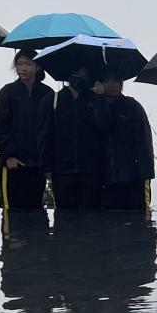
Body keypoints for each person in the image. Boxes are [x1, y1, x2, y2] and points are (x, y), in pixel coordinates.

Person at [0, 48, 54, 213]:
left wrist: (47, 160)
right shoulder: (7, 92)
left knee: (36, 210)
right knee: (13, 212)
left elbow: (49, 129)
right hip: (14, 163)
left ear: (37, 66)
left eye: (28, 64)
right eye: (20, 64)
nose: (23, 68)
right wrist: (9, 155)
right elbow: (1, 126)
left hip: (37, 164)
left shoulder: (47, 94)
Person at [93, 74, 154, 212]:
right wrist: (99, 98)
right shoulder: (95, 105)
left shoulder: (133, 106)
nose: (112, 84)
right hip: (105, 176)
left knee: (139, 218)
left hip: (133, 175)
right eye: (107, 81)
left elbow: (144, 140)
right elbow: (102, 123)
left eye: (116, 80)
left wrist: (146, 172)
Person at [50, 64, 106, 211]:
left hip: (91, 171)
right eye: (77, 74)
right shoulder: (53, 100)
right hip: (62, 171)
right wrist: (47, 165)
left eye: (84, 75)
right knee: (65, 217)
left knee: (92, 217)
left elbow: (104, 124)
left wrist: (100, 97)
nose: (80, 78)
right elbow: (45, 135)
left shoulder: (94, 99)